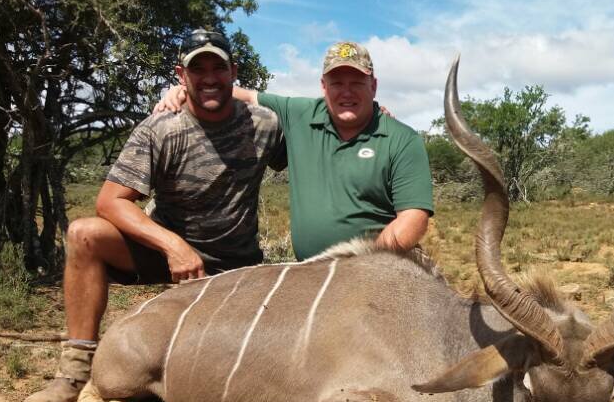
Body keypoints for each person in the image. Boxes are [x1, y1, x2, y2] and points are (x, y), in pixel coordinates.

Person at [20, 29, 285, 402]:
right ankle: (74, 373)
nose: (209, 77)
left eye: (218, 67)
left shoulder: (264, 125)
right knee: (84, 234)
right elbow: (110, 201)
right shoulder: (162, 128)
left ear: (234, 73)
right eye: (198, 69)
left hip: (236, 267)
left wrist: (375, 116)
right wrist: (173, 246)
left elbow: (319, 137)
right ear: (182, 76)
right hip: (169, 257)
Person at [157, 41, 433, 260]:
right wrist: (186, 92)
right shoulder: (299, 113)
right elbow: (244, 94)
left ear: (373, 86)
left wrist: (364, 265)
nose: (346, 92)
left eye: (357, 83)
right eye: (337, 83)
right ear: (323, 87)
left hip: (375, 271)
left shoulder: (402, 139)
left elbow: (413, 218)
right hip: (307, 279)